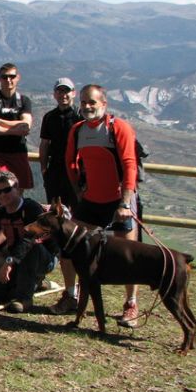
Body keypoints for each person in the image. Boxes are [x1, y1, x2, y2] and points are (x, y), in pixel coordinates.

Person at [66, 84, 141, 327]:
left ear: (104, 104)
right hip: (91, 201)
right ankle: (70, 295)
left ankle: (131, 304)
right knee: (68, 246)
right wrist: (79, 189)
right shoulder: (77, 130)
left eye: (93, 103)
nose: (87, 107)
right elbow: (70, 162)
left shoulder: (118, 128)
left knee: (129, 254)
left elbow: (130, 164)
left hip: (119, 202)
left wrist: (126, 202)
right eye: (84, 102)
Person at [0, 171, 58, 313]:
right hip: (16, 260)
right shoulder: (0, 212)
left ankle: (24, 299)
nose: (2, 195)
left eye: (7, 190)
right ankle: (35, 283)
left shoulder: (31, 208)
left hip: (44, 258)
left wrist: (9, 261)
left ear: (18, 189)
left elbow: (29, 239)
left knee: (33, 248)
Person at [39, 77, 82, 315]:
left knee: (75, 222)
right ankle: (57, 259)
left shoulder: (80, 117)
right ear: (55, 94)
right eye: (59, 91)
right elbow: (44, 144)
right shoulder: (50, 117)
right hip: (55, 173)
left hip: (74, 174)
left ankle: (75, 279)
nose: (63, 95)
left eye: (67, 91)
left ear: (73, 94)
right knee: (56, 218)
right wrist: (44, 168)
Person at [0, 63, 34, 189]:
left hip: (18, 152)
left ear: (18, 77)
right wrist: (15, 128)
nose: (8, 80)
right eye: (4, 77)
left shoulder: (24, 101)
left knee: (19, 190)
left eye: (12, 76)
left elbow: (26, 127)